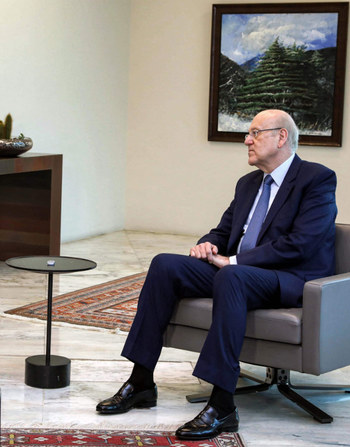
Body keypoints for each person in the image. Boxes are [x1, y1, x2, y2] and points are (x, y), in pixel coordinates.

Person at [96, 109, 337, 440]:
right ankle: (140, 381)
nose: (246, 140)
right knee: (165, 264)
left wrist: (235, 261)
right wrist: (207, 246)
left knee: (231, 277)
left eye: (255, 133)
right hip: (240, 273)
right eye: (247, 133)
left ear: (281, 137)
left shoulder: (317, 179)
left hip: (288, 278)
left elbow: (301, 245)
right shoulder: (248, 183)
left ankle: (222, 404)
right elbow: (223, 231)